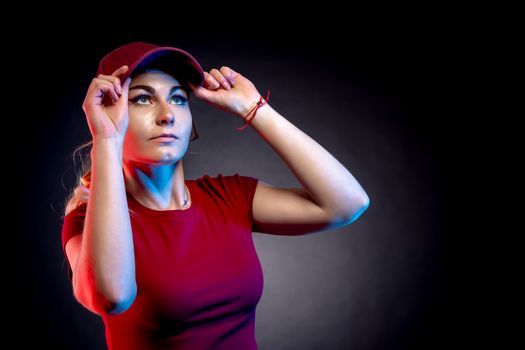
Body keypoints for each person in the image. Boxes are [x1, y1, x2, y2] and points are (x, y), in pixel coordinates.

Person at [61, 41, 370, 350]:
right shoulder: (87, 221)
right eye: (142, 99)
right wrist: (107, 139)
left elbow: (347, 203)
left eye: (179, 99)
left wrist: (254, 109)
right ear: (106, 111)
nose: (167, 114)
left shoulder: (228, 195)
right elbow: (112, 297)